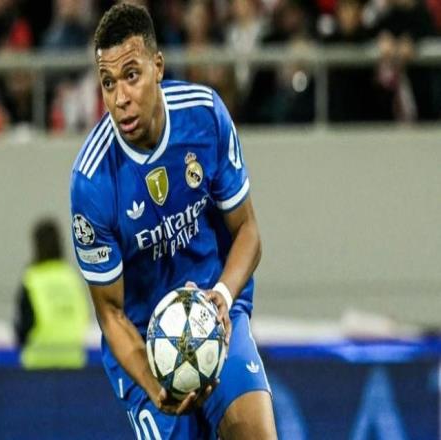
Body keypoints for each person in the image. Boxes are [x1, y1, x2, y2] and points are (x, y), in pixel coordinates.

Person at [70, 3, 277, 439]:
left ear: (158, 67)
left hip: (214, 317)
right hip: (143, 345)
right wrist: (153, 382)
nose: (120, 98)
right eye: (108, 82)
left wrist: (222, 296)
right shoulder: (92, 181)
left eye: (131, 75)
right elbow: (110, 313)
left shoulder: (204, 116)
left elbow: (248, 232)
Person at [14, 218, 90, 369]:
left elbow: (24, 324)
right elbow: (84, 313)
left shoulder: (32, 278)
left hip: (38, 360)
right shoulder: (71, 277)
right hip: (72, 359)